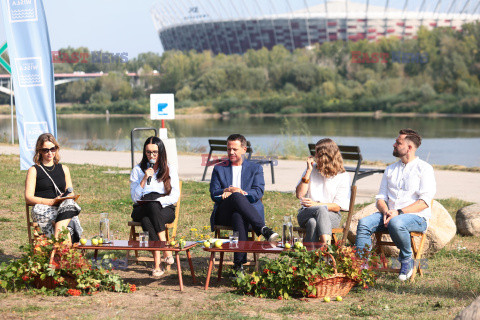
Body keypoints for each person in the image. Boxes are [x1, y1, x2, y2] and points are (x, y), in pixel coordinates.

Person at [355, 129, 436, 281]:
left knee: (396, 222)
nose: (394, 144)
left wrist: (398, 212)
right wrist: (386, 211)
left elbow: (424, 202)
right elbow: (380, 198)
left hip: (416, 218)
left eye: (398, 143)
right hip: (390, 215)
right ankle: (360, 266)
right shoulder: (390, 169)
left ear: (409, 148)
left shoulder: (424, 169)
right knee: (364, 223)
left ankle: (406, 259)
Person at [209, 134, 279, 272]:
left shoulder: (255, 168)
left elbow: (258, 192)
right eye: (228, 149)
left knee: (238, 215)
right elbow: (213, 193)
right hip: (224, 213)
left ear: (244, 149)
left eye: (234, 149)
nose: (231, 152)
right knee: (235, 197)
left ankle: (238, 266)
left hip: (247, 214)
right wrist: (226, 190)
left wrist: (241, 192)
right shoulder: (219, 168)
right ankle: (263, 229)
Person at [130, 136, 180, 277]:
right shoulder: (138, 170)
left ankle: (157, 264)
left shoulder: (170, 169)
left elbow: (174, 196)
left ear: (161, 152)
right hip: (141, 207)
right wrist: (144, 178)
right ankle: (166, 249)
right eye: (148, 152)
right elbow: (135, 197)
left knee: (148, 217)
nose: (151, 156)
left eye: (155, 152)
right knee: (150, 201)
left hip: (164, 208)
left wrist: (158, 202)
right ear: (144, 153)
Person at [25, 133, 82, 244]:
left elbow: (71, 192)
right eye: (46, 150)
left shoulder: (64, 169)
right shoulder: (34, 170)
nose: (50, 153)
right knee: (68, 224)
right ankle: (62, 248)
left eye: (53, 149)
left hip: (62, 207)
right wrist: (51, 201)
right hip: (43, 208)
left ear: (56, 148)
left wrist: (63, 198)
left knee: (70, 202)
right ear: (39, 151)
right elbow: (28, 197)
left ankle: (57, 239)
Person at [296, 138, 350, 244]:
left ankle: (310, 256)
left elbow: (337, 206)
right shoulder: (311, 170)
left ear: (326, 157)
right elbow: (299, 194)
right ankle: (327, 249)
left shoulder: (343, 176)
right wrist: (308, 171)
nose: (315, 157)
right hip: (306, 213)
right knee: (319, 210)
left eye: (317, 154)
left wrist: (316, 204)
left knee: (313, 222)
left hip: (332, 216)